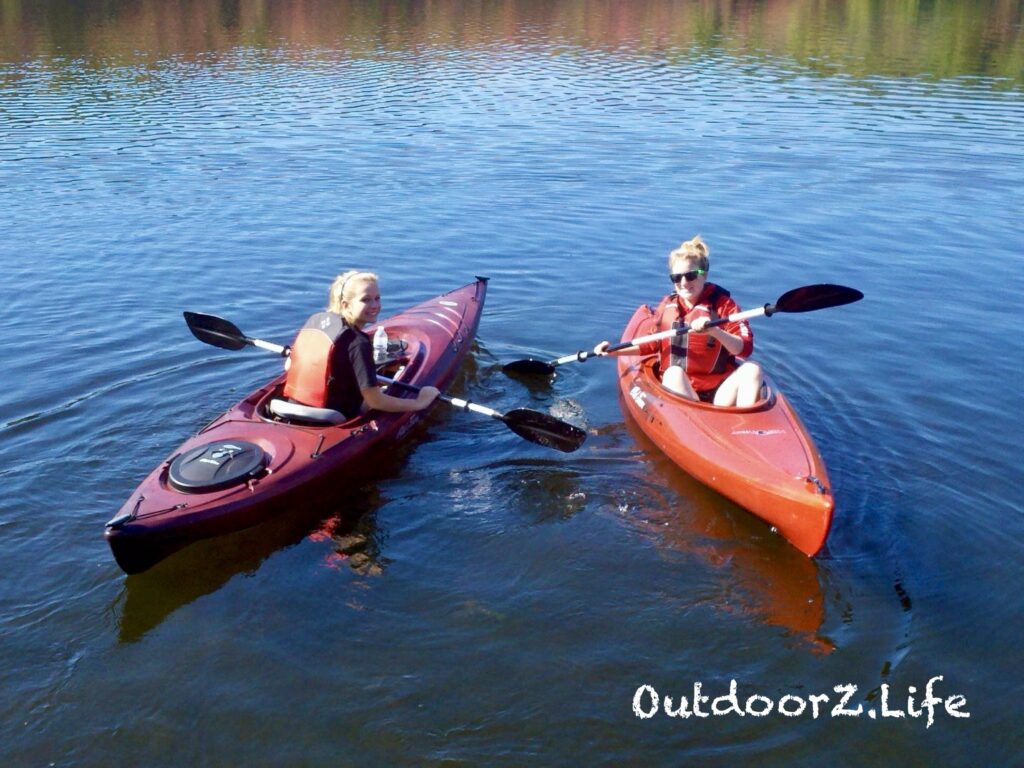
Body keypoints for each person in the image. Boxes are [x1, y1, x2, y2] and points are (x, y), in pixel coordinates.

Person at [594, 236, 763, 407]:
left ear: (704, 275)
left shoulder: (724, 306)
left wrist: (714, 331)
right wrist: (612, 351)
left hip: (721, 394)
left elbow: (744, 350)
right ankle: (692, 421)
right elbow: (650, 344)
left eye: (691, 276)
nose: (684, 283)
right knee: (673, 373)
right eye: (677, 277)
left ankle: (744, 427)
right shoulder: (668, 305)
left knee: (752, 369)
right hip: (681, 391)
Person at [282, 270, 439, 419]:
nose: (375, 305)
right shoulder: (357, 342)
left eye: (377, 298)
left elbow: (289, 365)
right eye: (365, 300)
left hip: (292, 407)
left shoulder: (316, 324)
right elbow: (376, 402)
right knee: (383, 395)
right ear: (345, 304)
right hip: (332, 416)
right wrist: (420, 402)